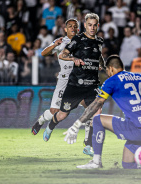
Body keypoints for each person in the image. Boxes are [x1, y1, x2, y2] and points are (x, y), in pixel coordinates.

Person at [63, 55, 141, 169]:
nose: (107, 73)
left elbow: (96, 104)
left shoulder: (111, 81)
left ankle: (96, 162)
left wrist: (77, 124)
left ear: (111, 69)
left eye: (107, 70)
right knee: (128, 165)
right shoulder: (140, 77)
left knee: (97, 120)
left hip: (135, 128)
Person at [41, 13, 105, 155]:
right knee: (62, 115)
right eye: (89, 25)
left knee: (96, 113)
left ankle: (88, 145)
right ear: (85, 25)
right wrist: (74, 59)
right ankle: (51, 125)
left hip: (92, 86)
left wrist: (101, 64)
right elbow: (63, 55)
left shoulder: (99, 42)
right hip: (76, 85)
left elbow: (98, 56)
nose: (92, 27)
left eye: (95, 25)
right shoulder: (77, 39)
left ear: (98, 26)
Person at [31, 18, 93, 155]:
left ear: (78, 29)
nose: (72, 28)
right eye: (70, 26)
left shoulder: (83, 41)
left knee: (91, 110)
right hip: (64, 81)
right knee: (56, 112)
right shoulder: (61, 41)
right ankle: (41, 120)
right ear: (65, 29)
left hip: (79, 82)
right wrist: (54, 45)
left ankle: (88, 144)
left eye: (75, 26)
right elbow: (43, 53)